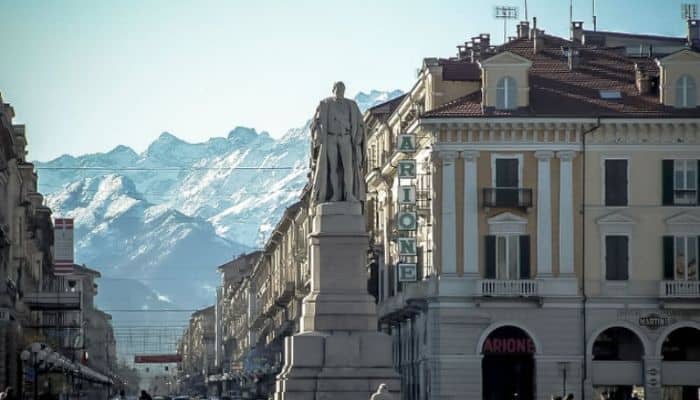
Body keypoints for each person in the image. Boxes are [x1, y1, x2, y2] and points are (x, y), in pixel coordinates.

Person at [310, 81, 366, 205]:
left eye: (342, 89)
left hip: (346, 138)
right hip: (330, 138)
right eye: (338, 88)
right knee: (333, 168)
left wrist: (359, 136)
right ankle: (335, 194)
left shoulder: (351, 105)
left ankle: (349, 194)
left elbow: (361, 124)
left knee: (348, 168)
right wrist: (318, 134)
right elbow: (316, 123)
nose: (340, 91)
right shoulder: (325, 104)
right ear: (333, 90)